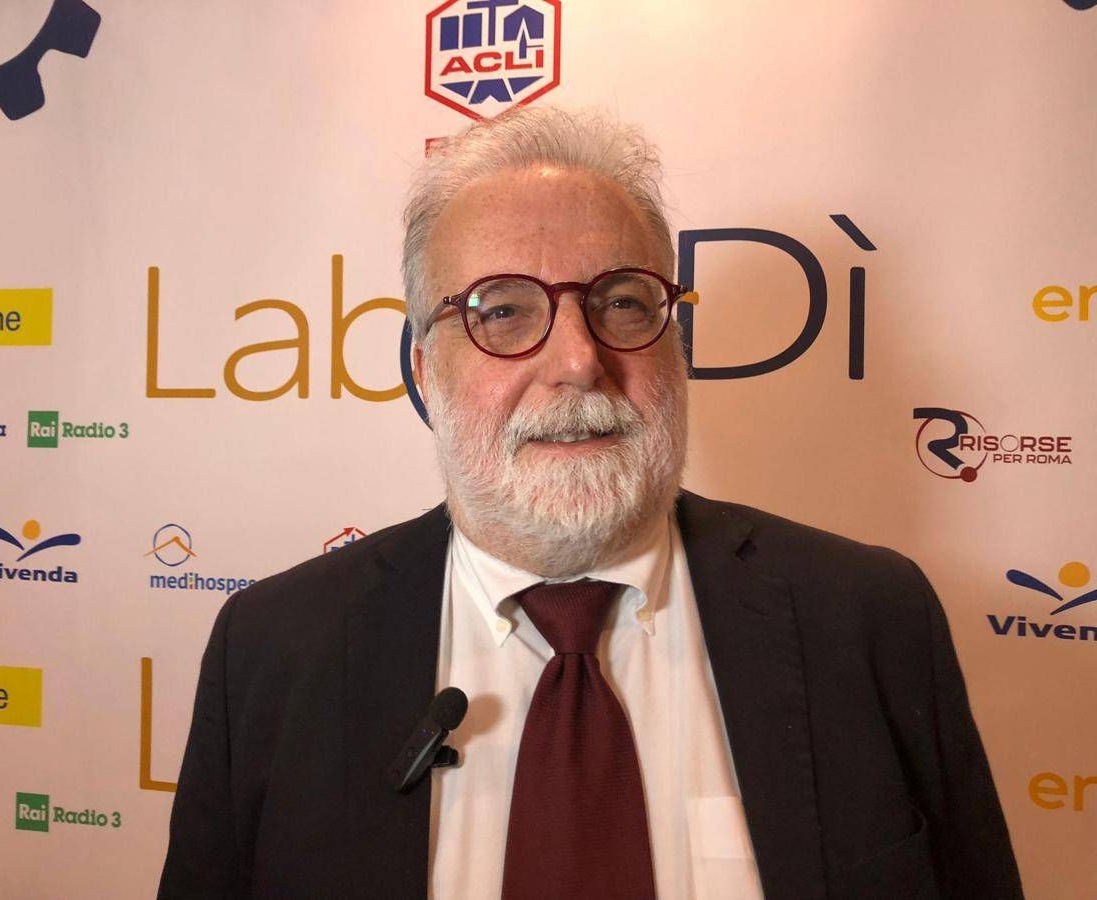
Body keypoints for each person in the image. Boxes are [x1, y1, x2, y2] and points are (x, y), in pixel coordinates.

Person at [158, 107, 1022, 900]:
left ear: (676, 343)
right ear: (424, 369)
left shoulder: (869, 617)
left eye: (621, 302)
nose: (578, 361)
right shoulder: (272, 648)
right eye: (503, 311)